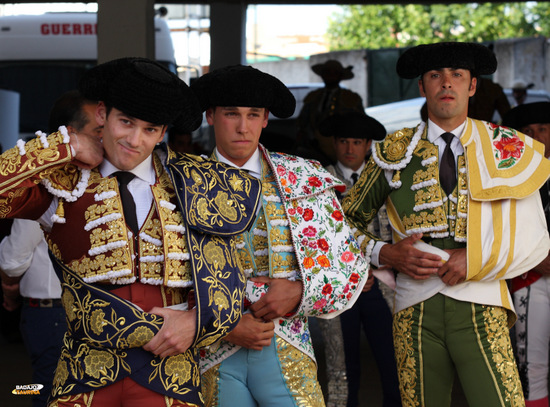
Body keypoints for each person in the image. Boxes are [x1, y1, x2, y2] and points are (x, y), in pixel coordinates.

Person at [0, 57, 262, 407]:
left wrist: (197, 322)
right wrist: (66, 146)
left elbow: (228, 281)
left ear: (163, 132)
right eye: (126, 122)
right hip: (85, 377)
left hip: (170, 375)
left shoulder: (195, 183)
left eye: (150, 129)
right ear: (101, 115)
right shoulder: (64, 182)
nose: (135, 140)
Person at [342, 42, 550, 407]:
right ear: (422, 87)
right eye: (435, 76)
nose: (446, 84)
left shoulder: (507, 148)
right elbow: (340, 221)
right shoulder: (394, 150)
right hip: (413, 306)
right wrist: (385, 252)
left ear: (472, 86)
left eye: (457, 75)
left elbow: (535, 232)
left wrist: (477, 259)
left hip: (482, 300)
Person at [190, 64, 370, 407]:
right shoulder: (183, 183)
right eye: (231, 114)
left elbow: (349, 268)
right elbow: (161, 276)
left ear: (266, 119)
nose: (243, 127)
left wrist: (301, 290)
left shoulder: (303, 177)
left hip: (288, 343)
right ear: (211, 116)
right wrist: (222, 323)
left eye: (253, 114)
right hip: (211, 351)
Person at [0, 89, 101, 407]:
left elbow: (13, 261)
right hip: (54, 314)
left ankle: (16, 391)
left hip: (55, 313)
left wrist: (9, 289)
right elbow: (14, 257)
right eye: (97, 131)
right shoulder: (49, 185)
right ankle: (15, 391)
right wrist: (11, 285)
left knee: (48, 386)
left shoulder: (93, 181)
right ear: (70, 135)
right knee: (47, 389)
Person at [321, 111, 401, 407]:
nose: (350, 149)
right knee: (341, 367)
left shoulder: (387, 177)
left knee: (394, 361)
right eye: (344, 141)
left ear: (368, 144)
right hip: (337, 288)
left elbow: (400, 229)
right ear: (334, 143)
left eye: (357, 142)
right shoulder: (321, 181)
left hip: (383, 284)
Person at [502, 101, 550, 407]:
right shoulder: (507, 177)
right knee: (531, 365)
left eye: (543, 129)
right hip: (530, 276)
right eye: (527, 131)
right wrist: (537, 256)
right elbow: (499, 231)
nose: (536, 137)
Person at [297, 59, 364, 165]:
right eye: (327, 73)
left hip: (340, 146)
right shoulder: (313, 96)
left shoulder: (351, 98)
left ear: (340, 76)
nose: (331, 76)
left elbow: (359, 124)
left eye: (335, 73)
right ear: (322, 75)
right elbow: (302, 122)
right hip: (313, 146)